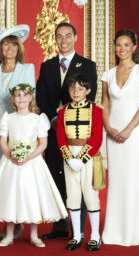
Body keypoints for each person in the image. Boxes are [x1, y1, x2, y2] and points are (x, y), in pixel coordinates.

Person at [0, 84, 67, 248]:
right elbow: (3, 142)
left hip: (32, 162)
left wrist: (28, 156)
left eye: (24, 95)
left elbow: (43, 144)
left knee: (31, 195)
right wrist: (11, 155)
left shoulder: (37, 119)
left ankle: (34, 235)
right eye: (18, 95)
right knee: (11, 195)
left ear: (30, 98)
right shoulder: (8, 118)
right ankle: (9, 235)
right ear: (13, 99)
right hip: (11, 162)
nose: (21, 98)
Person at [35, 22, 96, 239]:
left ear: (75, 37)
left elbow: (91, 96)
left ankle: (78, 229)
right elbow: (40, 95)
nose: (63, 40)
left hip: (78, 133)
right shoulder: (47, 65)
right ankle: (60, 226)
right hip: (53, 131)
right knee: (57, 178)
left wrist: (68, 119)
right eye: (59, 36)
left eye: (68, 36)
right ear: (55, 39)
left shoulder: (88, 65)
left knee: (77, 179)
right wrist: (53, 118)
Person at [100, 29, 139, 247]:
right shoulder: (108, 74)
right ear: (114, 47)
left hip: (133, 135)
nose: (122, 49)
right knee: (116, 181)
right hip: (112, 134)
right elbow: (104, 104)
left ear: (134, 47)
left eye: (126, 45)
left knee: (132, 181)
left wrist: (129, 129)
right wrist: (108, 127)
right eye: (118, 45)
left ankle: (134, 231)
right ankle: (113, 231)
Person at [56, 74, 104, 251]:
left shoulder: (97, 110)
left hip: (89, 158)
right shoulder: (63, 111)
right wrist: (69, 158)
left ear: (88, 91)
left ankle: (95, 236)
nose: (76, 92)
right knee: (73, 196)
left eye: (80, 89)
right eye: (72, 88)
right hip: (69, 159)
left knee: (91, 197)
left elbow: (97, 136)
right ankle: (76, 235)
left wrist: (82, 159)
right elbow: (60, 137)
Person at [0, 25, 35, 180]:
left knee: (17, 170)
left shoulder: (27, 69)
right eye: (5, 44)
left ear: (19, 48)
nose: (9, 48)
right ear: (0, 48)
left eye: (13, 44)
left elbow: (33, 98)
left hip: (20, 124)